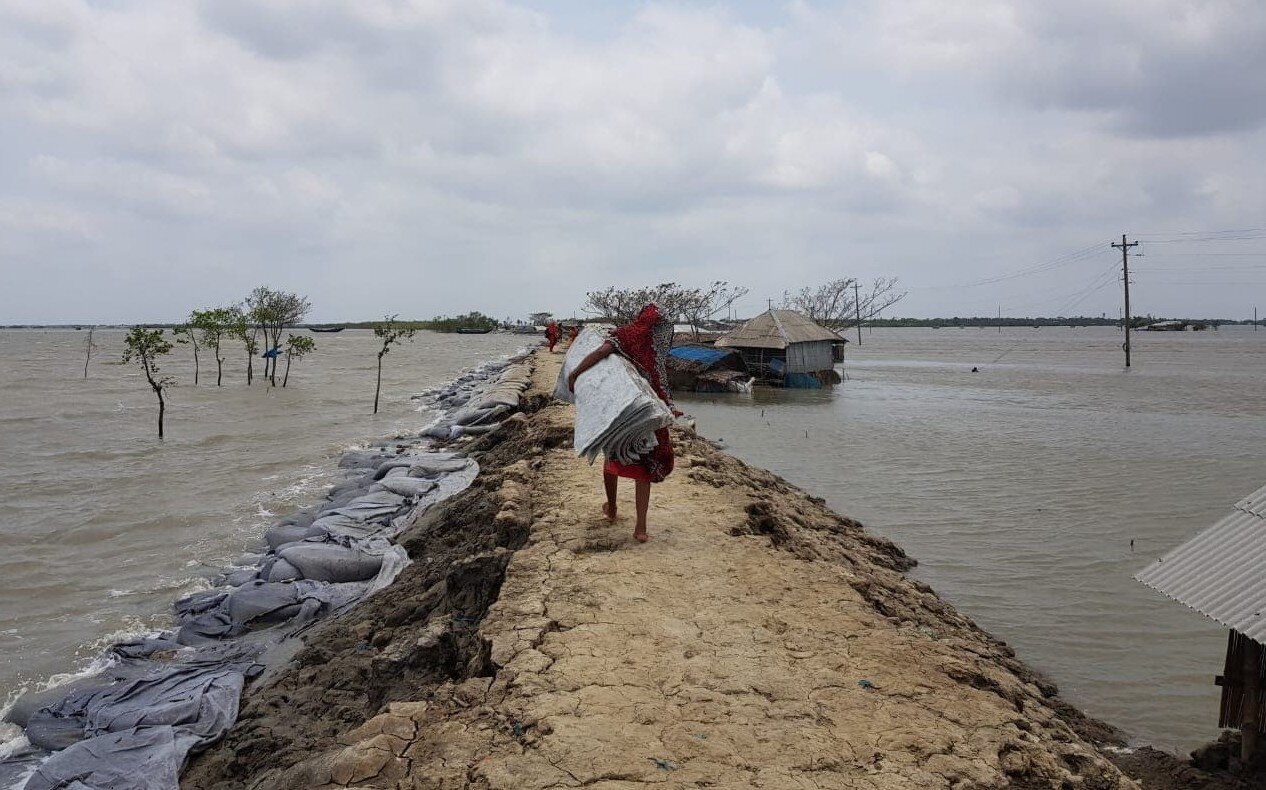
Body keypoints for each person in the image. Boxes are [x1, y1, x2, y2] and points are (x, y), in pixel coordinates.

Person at [567, 302, 679, 543]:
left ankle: (614, 507)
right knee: (646, 467)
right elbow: (658, 380)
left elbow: (600, 354)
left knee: (613, 453)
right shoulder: (654, 347)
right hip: (649, 411)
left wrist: (575, 373)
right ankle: (640, 527)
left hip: (624, 409)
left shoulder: (626, 335)